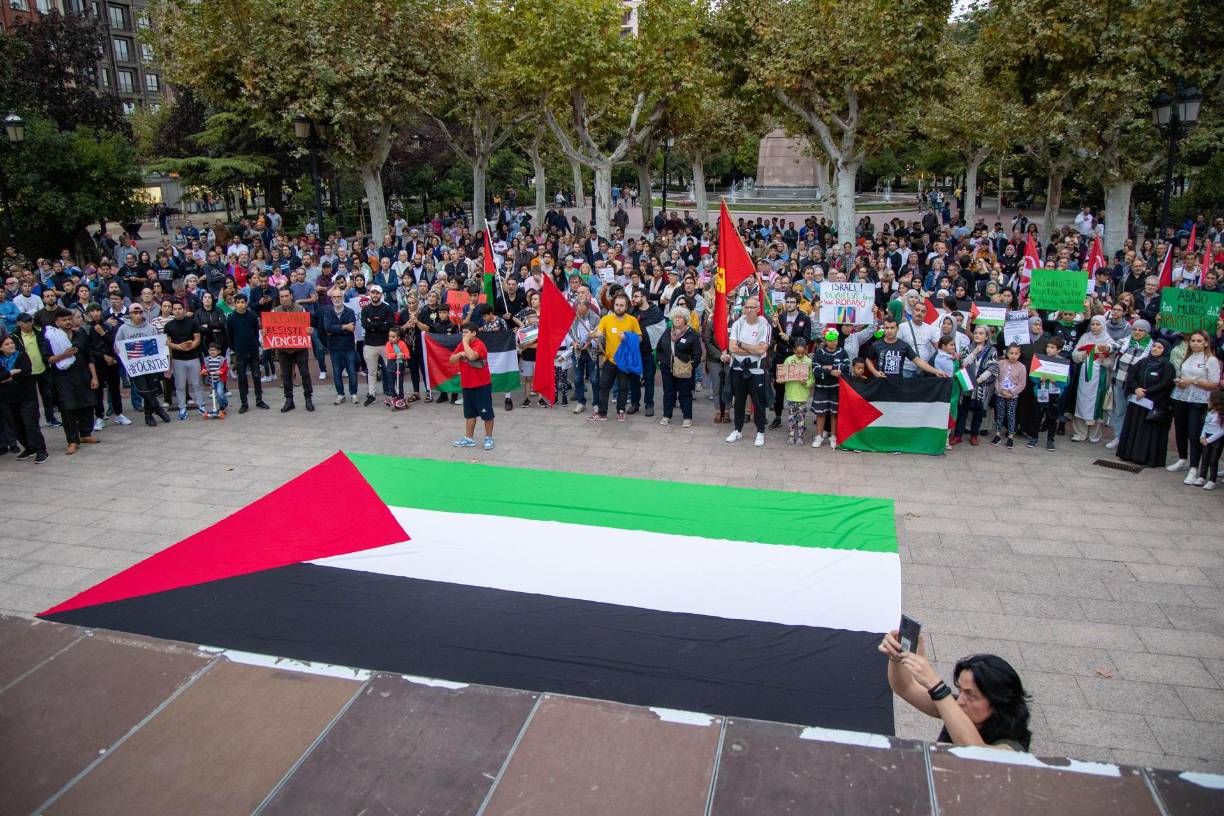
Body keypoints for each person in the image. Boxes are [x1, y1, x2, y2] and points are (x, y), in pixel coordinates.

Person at [879, 630, 1032, 751]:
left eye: (971, 695)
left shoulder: (1013, 747)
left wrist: (935, 685)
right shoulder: (960, 707)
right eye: (961, 691)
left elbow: (979, 756)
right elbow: (905, 687)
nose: (959, 701)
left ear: (998, 701)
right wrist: (896, 657)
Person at [1168, 330, 1221, 483]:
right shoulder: (1188, 356)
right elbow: (1184, 375)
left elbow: (1214, 384)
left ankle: (1194, 468)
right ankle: (1182, 459)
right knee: (1180, 430)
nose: (1195, 343)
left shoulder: (1211, 360)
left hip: (1199, 401)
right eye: (1193, 340)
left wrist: (1193, 381)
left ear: (1205, 342)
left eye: (1199, 341)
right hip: (1180, 396)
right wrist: (1181, 381)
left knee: (1194, 434)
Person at [44, 308, 98, 454]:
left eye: (69, 319)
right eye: (64, 320)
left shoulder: (80, 335)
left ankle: (86, 434)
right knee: (68, 409)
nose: (67, 322)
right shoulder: (51, 337)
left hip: (83, 376)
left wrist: (94, 377)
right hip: (63, 379)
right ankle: (72, 441)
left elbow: (89, 357)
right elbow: (49, 359)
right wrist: (64, 355)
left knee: (87, 405)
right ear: (57, 322)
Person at [1116, 338, 1176, 468]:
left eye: (1160, 348)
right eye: (1154, 346)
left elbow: (1166, 384)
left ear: (1165, 350)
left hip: (1154, 403)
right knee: (1134, 427)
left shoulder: (1168, 366)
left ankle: (1145, 457)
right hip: (1137, 401)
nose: (1155, 349)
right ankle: (1128, 453)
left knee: (1149, 431)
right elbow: (1131, 375)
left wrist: (1147, 392)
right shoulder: (1142, 362)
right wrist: (1136, 388)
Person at [724, 296, 772, 447]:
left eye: (752, 308)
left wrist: (742, 345)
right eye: (747, 307)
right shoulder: (738, 323)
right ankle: (737, 430)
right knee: (738, 401)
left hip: (756, 371)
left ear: (758, 309)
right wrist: (751, 349)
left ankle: (760, 432)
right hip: (738, 368)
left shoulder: (765, 325)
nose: (749, 310)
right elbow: (732, 347)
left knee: (758, 403)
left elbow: (762, 349)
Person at [114, 303, 171, 426]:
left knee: (151, 389)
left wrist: (164, 344)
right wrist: (118, 350)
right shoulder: (123, 329)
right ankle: (158, 408)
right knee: (143, 390)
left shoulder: (150, 328)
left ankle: (148, 415)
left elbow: (158, 344)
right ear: (130, 314)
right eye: (135, 313)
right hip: (135, 366)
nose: (138, 315)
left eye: (140, 312)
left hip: (150, 365)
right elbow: (117, 345)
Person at [590, 292, 641, 422]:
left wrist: (627, 337)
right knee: (603, 386)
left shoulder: (632, 320)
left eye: (621, 305)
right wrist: (594, 334)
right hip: (609, 359)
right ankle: (602, 413)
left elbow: (640, 338)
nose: (618, 307)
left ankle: (621, 411)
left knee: (623, 388)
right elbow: (599, 332)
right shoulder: (606, 319)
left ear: (626, 306)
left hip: (624, 361)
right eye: (617, 305)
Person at [0, 333, 49, 462]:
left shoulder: (22, 356)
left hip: (26, 396)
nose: (11, 345)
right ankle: (29, 447)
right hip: (7, 398)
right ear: (1, 348)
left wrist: (7, 377)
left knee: (30, 423)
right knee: (16, 425)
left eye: (11, 343)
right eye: (7, 344)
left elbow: (26, 373)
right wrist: (11, 372)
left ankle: (41, 449)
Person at [1105, 319, 1151, 449]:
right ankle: (1118, 437)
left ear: (1146, 332)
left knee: (1135, 414)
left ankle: (1130, 440)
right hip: (1119, 381)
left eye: (1140, 330)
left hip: (1137, 386)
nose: (1136, 332)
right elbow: (1113, 346)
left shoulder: (1151, 346)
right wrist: (1107, 347)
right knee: (1119, 411)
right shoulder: (1125, 341)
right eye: (1134, 329)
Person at [450, 321, 495, 450]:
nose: (463, 335)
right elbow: (451, 360)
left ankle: (488, 438)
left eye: (466, 332)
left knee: (487, 414)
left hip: (482, 385)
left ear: (474, 333)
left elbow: (472, 356)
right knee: (469, 414)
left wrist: (464, 344)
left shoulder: (479, 345)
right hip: (467, 384)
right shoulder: (461, 345)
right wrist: (459, 354)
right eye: (462, 332)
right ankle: (469, 438)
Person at [1069, 314, 1114, 442]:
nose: (1094, 327)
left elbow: (1111, 363)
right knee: (1081, 401)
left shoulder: (1108, 341)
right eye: (1093, 324)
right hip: (1084, 376)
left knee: (1097, 403)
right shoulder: (1085, 337)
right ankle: (1079, 432)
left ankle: (1094, 434)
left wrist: (1102, 357)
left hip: (1099, 376)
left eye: (1098, 324)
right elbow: (1075, 354)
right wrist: (1086, 352)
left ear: (1103, 325)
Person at [655, 305, 701, 428]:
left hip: (684, 368)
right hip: (667, 368)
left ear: (685, 319)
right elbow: (659, 348)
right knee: (668, 392)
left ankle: (687, 417)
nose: (677, 319)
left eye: (680, 317)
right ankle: (666, 415)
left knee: (685, 393)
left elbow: (698, 353)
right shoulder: (667, 332)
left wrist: (691, 366)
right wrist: (660, 361)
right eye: (675, 317)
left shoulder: (691, 334)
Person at [224, 294, 268, 412]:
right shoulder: (231, 318)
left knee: (256, 375)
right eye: (238, 302)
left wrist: (254, 344)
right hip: (240, 352)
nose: (240, 304)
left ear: (246, 303)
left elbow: (255, 332)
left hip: (253, 350)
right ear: (235, 304)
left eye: (242, 302)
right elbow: (229, 336)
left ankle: (259, 400)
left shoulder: (252, 316)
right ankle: (244, 403)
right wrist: (236, 348)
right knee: (242, 378)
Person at [272, 287, 314, 412]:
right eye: (282, 297)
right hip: (283, 349)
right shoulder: (274, 312)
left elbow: (307, 327)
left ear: (291, 296)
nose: (284, 299)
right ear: (279, 298)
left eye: (286, 296)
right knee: (285, 375)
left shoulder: (300, 309)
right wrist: (265, 332)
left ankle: (308, 398)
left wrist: (309, 331)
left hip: (300, 348)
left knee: (305, 373)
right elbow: (271, 330)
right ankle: (289, 400)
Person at [164, 301, 205, 420]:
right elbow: (167, 342)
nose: (177, 311)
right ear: (172, 311)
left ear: (183, 309)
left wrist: (190, 347)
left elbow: (197, 339)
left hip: (193, 357)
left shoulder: (192, 322)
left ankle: (201, 405)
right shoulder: (168, 326)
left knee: (197, 383)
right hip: (177, 359)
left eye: (179, 308)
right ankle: (182, 408)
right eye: (175, 309)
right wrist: (177, 347)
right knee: (180, 385)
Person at [810, 328, 849, 448]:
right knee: (820, 413)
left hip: (836, 389)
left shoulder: (843, 352)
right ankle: (818, 436)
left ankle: (833, 436)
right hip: (821, 388)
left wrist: (827, 367)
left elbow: (846, 366)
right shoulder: (819, 352)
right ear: (825, 340)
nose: (833, 342)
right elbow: (815, 369)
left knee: (834, 414)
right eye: (830, 340)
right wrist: (831, 371)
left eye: (835, 340)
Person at [360, 284, 395, 406]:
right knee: (371, 371)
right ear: (370, 294)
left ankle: (392, 393)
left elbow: (390, 324)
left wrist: (373, 324)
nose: (375, 295)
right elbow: (365, 325)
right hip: (370, 344)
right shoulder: (365, 310)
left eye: (377, 293)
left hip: (385, 344)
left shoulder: (388, 308)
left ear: (381, 294)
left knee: (390, 370)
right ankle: (371, 394)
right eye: (373, 293)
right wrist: (381, 323)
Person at [322, 287, 359, 404]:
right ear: (331, 298)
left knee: (352, 371)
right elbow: (327, 328)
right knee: (337, 372)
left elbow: (351, 328)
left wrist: (335, 330)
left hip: (348, 346)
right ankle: (340, 394)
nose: (337, 299)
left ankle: (353, 394)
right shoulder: (327, 312)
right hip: (334, 347)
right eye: (334, 297)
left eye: (339, 296)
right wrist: (344, 327)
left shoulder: (350, 311)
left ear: (343, 298)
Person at [1029, 338, 1065, 451]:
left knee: (1052, 418)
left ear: (1059, 350)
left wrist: (1056, 381)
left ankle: (1050, 440)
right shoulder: (1040, 359)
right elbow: (1032, 376)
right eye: (1048, 347)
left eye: (1052, 347)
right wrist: (1039, 379)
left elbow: (1065, 382)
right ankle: (1034, 438)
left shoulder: (1063, 363)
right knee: (1037, 416)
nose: (1049, 349)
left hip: (1054, 394)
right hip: (1040, 391)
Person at [778, 335, 815, 445]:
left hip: (803, 394)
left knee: (802, 416)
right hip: (791, 393)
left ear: (806, 351)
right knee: (791, 416)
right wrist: (780, 379)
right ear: (793, 350)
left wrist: (807, 383)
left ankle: (800, 436)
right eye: (797, 352)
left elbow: (812, 378)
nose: (799, 355)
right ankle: (791, 435)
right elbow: (782, 376)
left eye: (802, 353)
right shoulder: (789, 360)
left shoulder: (808, 361)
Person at [992, 343, 1027, 449]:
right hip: (1000, 394)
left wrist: (1011, 392)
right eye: (1011, 353)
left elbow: (1022, 383)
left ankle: (1011, 436)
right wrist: (1001, 391)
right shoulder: (1000, 363)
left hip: (1013, 396)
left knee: (1011, 415)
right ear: (1007, 353)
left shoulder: (1022, 367)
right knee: (1000, 414)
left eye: (1016, 353)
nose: (1013, 355)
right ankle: (997, 434)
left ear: (1020, 354)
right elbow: (996, 379)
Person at [1196, 391, 1223, 490]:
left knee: (1213, 460)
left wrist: (1209, 440)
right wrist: (1202, 436)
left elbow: (1221, 431)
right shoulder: (1209, 412)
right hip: (1206, 438)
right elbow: (1205, 425)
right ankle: (1202, 477)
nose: (1208, 401)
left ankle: (1212, 480)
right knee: (1205, 458)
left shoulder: (1221, 415)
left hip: (1216, 440)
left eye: (1210, 399)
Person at [384, 326, 411, 409]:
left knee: (400, 384)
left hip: (400, 367)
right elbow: (388, 355)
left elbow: (407, 354)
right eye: (389, 336)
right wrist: (396, 355)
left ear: (398, 337)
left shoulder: (402, 344)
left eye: (393, 337)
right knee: (391, 385)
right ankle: (393, 397)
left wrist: (403, 355)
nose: (391, 338)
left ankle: (401, 398)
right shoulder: (388, 344)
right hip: (391, 368)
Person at [200, 343, 229, 417]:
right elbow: (204, 367)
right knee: (215, 395)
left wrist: (221, 371)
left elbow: (225, 367)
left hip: (219, 379)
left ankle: (224, 404)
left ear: (218, 351)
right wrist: (203, 370)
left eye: (214, 350)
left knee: (220, 393)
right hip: (212, 380)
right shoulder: (207, 359)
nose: (212, 352)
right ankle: (218, 407)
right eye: (210, 350)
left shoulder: (222, 359)